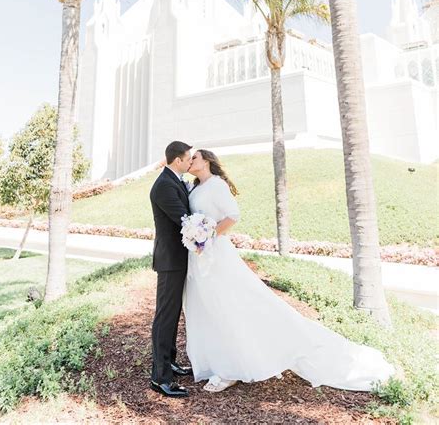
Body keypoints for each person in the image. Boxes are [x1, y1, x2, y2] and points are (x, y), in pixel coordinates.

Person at [184, 149, 396, 393]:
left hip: (216, 254)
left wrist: (207, 237)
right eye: (189, 159)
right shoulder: (194, 188)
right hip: (199, 256)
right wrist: (195, 237)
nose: (191, 162)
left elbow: (233, 215)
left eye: (195, 158)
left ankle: (231, 368)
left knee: (228, 304)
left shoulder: (216, 185)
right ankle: (215, 360)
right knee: (208, 306)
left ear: (208, 160)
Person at [149, 140, 194, 398]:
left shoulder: (173, 180)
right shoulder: (164, 185)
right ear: (178, 160)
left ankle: (170, 362)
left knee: (172, 314)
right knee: (164, 317)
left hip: (177, 260)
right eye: (188, 159)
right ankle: (160, 377)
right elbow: (184, 219)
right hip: (170, 262)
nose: (190, 162)